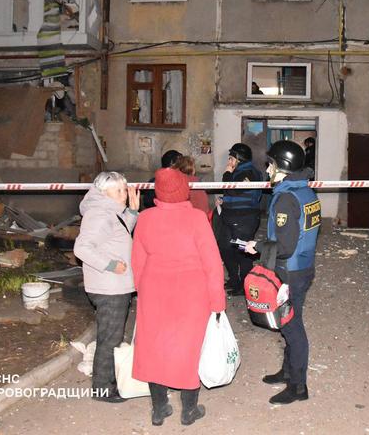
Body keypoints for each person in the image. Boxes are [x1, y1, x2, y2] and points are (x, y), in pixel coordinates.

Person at [132, 168, 225, 426]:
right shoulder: (196, 219)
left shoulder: (145, 218)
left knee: (154, 348)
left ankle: (160, 408)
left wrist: (141, 288)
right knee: (189, 349)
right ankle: (189, 410)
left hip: (154, 291)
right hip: (191, 294)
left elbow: (137, 260)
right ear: (184, 190)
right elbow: (212, 263)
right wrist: (217, 301)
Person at [244, 140, 321, 405]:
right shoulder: (305, 192)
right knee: (290, 323)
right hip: (302, 267)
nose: (267, 170)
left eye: (271, 165)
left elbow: (286, 246)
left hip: (290, 271)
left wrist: (259, 246)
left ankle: (298, 387)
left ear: (284, 167)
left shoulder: (286, 199)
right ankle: (287, 372)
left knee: (292, 328)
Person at [73, 171, 140, 403]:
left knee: (112, 335)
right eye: (119, 191)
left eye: (124, 189)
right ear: (105, 193)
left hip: (115, 286)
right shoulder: (99, 214)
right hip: (108, 287)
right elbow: (81, 248)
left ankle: (108, 382)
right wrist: (111, 265)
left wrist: (132, 211)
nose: (124, 194)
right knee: (109, 338)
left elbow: (118, 234)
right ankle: (102, 389)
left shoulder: (110, 211)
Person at [217, 143, 263, 295]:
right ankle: (234, 279)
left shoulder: (250, 172)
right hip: (230, 216)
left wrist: (227, 173)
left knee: (243, 252)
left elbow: (236, 189)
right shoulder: (239, 171)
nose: (229, 162)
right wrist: (224, 201)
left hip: (245, 218)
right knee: (224, 246)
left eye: (231, 158)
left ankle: (244, 285)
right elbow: (233, 193)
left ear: (239, 158)